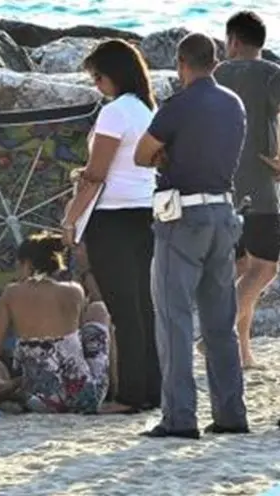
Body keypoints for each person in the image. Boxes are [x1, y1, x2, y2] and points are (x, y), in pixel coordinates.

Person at [134, 33, 249, 439]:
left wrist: (165, 154)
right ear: (215, 62)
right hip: (224, 211)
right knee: (221, 322)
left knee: (174, 319)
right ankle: (232, 413)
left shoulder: (178, 106)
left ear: (182, 63)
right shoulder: (233, 103)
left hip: (183, 216)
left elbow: (141, 153)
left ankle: (180, 417)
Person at [61, 39, 161, 414]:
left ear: (112, 75)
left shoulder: (114, 112)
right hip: (145, 211)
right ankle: (154, 389)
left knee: (123, 310)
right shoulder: (147, 109)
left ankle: (131, 395)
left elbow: (97, 175)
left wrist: (71, 219)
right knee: (145, 306)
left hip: (113, 217)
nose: (96, 85)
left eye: (98, 77)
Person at [0, 232, 112, 414]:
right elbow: (78, 350)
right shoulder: (75, 290)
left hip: (41, 399)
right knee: (99, 309)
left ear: (27, 264)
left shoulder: (12, 293)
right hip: (84, 397)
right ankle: (115, 392)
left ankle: (22, 392)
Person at [213, 11, 280, 369]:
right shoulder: (271, 74)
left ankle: (242, 353)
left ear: (233, 41)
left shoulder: (215, 74)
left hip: (221, 186)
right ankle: (215, 337)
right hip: (260, 187)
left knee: (241, 268)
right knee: (265, 268)